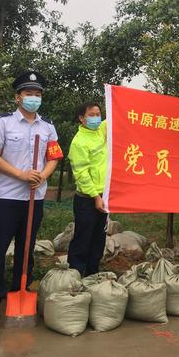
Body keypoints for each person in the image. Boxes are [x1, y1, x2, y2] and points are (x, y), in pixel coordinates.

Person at [0, 71, 63, 320]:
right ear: (17, 97)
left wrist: (42, 175)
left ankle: (19, 289)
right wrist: (20, 175)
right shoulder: (2, 123)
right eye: (29, 93)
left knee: (26, 247)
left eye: (38, 94)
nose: (34, 98)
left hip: (35, 198)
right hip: (6, 198)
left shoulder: (48, 126)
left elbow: (53, 157)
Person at [67, 102, 108, 277]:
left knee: (99, 238)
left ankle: (92, 274)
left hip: (104, 195)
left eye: (98, 114)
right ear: (82, 118)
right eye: (91, 115)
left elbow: (116, 116)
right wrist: (95, 196)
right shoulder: (79, 142)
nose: (96, 118)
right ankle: (76, 273)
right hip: (87, 199)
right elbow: (82, 173)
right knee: (84, 237)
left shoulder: (101, 131)